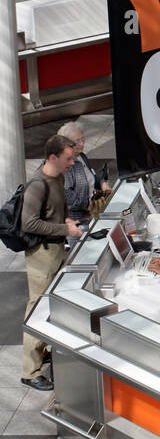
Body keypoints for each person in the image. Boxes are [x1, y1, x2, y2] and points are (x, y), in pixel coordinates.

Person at [21, 134, 82, 390]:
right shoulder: (37, 184)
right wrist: (64, 229)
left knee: (48, 304)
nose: (73, 162)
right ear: (53, 157)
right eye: (68, 158)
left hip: (56, 248)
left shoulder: (57, 177)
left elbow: (59, 208)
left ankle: (43, 348)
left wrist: (66, 221)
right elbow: (29, 223)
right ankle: (30, 370)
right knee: (37, 308)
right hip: (42, 254)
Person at [59, 120, 108, 226]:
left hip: (91, 213)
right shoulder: (67, 164)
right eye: (77, 141)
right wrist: (90, 205)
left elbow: (93, 176)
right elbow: (67, 196)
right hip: (77, 221)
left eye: (83, 139)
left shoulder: (82, 156)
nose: (82, 144)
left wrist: (103, 184)